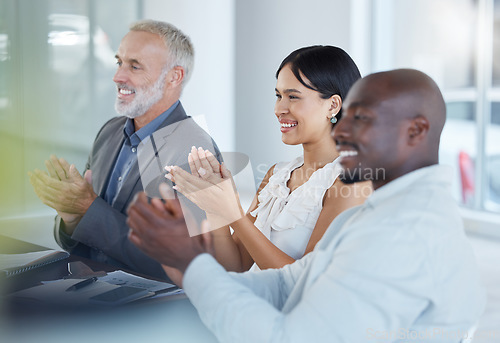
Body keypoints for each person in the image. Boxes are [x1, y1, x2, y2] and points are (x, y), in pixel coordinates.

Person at [127, 69, 485, 342]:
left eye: (361, 119)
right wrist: (192, 261)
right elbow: (290, 284)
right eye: (278, 95)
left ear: (416, 131)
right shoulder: (376, 213)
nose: (342, 131)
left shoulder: (401, 232)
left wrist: (196, 264)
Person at [28, 19, 221, 280]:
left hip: (152, 312)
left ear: (174, 77)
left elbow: (189, 264)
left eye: (135, 66)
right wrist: (72, 218)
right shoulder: (109, 132)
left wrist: (88, 208)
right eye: (120, 62)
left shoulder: (196, 151)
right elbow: (81, 243)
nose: (118, 76)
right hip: (89, 296)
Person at [165, 46, 372, 272]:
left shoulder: (353, 181)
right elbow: (235, 265)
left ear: (333, 105)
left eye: (293, 97)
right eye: (278, 96)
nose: (279, 109)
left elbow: (307, 281)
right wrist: (216, 206)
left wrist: (234, 213)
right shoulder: (277, 175)